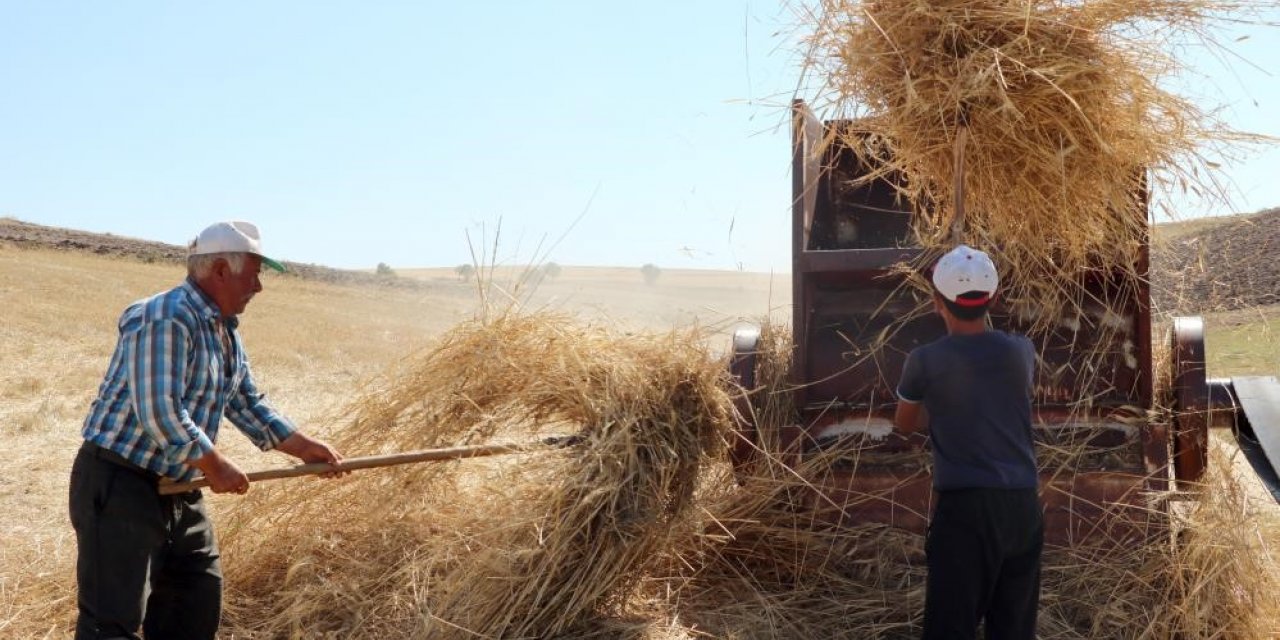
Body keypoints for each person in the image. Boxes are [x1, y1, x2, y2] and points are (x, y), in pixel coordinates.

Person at [69, 220, 346, 640]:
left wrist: (303, 447)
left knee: (194, 602)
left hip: (180, 488)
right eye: (253, 274)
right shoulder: (165, 317)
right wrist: (215, 465)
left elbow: (245, 401)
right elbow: (159, 411)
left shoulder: (223, 330)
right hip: (122, 484)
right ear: (220, 270)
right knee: (111, 623)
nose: (258, 287)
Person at [893, 244, 1043, 640]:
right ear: (994, 297)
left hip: (966, 512)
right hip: (1023, 508)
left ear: (936, 303)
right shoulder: (1020, 352)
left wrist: (944, 408)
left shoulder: (923, 360)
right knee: (1013, 629)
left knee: (950, 627)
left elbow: (904, 424)